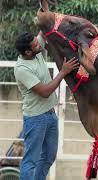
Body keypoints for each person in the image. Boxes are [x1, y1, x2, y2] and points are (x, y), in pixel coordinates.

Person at [14, 31, 79, 180]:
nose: (39, 43)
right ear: (28, 51)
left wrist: (44, 7)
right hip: (35, 119)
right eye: (35, 44)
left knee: (49, 156)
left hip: (50, 115)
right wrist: (63, 71)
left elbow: (43, 30)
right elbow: (45, 92)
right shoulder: (22, 69)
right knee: (30, 160)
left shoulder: (35, 52)